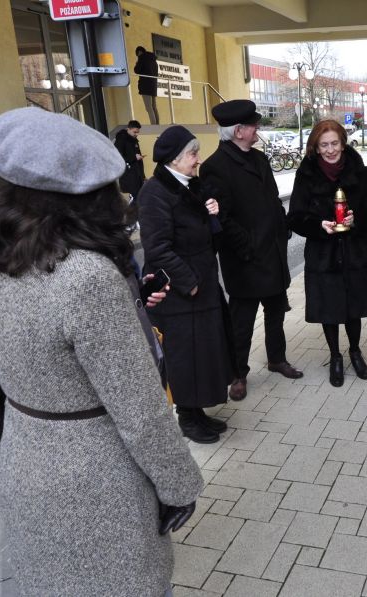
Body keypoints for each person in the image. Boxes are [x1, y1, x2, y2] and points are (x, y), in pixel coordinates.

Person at [0, 107, 203, 596]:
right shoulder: (85, 277)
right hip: (98, 475)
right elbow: (141, 413)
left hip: (25, 453)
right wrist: (180, 485)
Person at [137, 125, 237, 444]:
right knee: (185, 356)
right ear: (175, 159)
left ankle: (197, 412)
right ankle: (186, 417)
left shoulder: (191, 186)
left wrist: (213, 216)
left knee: (203, 353)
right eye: (193, 154)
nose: (198, 159)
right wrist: (189, 282)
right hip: (181, 294)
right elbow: (157, 248)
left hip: (203, 287)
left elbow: (208, 234)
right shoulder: (155, 192)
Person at [199, 99, 302, 401]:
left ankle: (277, 359)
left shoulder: (258, 159)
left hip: (272, 253)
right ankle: (237, 374)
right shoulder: (215, 167)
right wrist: (248, 246)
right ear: (238, 131)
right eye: (253, 124)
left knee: (276, 312)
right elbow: (222, 218)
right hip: (244, 259)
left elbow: (272, 198)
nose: (258, 128)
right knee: (241, 321)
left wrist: (282, 227)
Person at [288, 119, 367, 387]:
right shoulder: (305, 174)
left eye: (334, 144)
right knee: (329, 308)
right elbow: (294, 217)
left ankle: (355, 350)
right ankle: (335, 356)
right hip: (323, 253)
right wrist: (318, 225)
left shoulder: (359, 171)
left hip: (354, 251)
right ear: (315, 148)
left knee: (354, 306)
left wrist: (356, 222)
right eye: (324, 145)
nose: (330, 150)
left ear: (343, 142)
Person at [114, 119, 146, 200]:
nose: (136, 134)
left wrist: (142, 175)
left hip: (137, 174)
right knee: (135, 198)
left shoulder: (134, 140)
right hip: (129, 175)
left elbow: (137, 159)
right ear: (128, 129)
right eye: (135, 132)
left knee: (140, 197)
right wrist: (134, 158)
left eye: (137, 132)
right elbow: (118, 157)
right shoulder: (121, 140)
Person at [134, 46, 159, 125]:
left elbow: (136, 70)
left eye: (137, 55)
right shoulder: (154, 60)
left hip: (145, 85)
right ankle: (157, 124)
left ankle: (153, 125)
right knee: (154, 106)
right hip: (153, 85)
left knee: (148, 107)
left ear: (139, 52)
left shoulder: (142, 58)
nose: (138, 56)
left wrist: (137, 63)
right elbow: (156, 73)